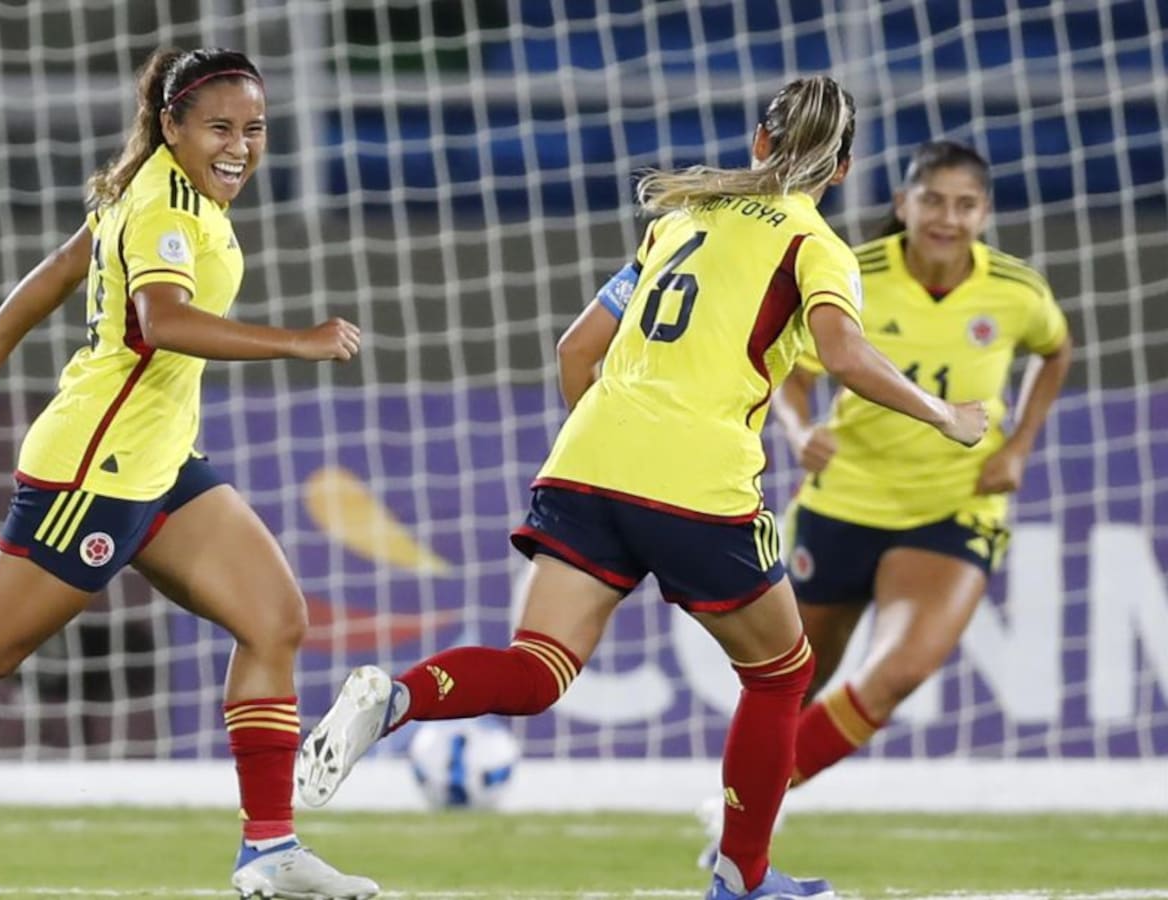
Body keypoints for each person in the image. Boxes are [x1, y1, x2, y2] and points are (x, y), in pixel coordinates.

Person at [296, 78, 986, 900]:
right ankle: (743, 878)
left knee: (537, 668)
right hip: (697, 479)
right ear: (841, 172)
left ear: (759, 142)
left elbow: (572, 351)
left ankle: (398, 697)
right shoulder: (816, 247)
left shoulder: (677, 220)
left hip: (587, 460)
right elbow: (841, 355)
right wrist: (945, 414)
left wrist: (612, 454)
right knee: (779, 676)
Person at [0, 48, 378, 900]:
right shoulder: (160, 202)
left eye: (254, 129)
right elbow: (163, 320)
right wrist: (296, 341)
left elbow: (62, 265)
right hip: (97, 468)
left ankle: (269, 851)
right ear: (172, 127)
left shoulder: (162, 191)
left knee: (275, 619)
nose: (240, 146)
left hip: (161, 464)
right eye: (220, 128)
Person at [775, 140, 1071, 787]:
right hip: (843, 497)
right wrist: (798, 432)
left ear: (985, 215)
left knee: (897, 673)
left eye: (965, 205)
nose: (948, 217)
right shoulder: (852, 275)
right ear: (902, 203)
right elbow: (790, 376)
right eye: (933, 199)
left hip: (954, 503)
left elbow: (1056, 350)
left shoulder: (1016, 291)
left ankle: (741, 816)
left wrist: (1019, 444)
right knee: (791, 685)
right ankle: (747, 825)